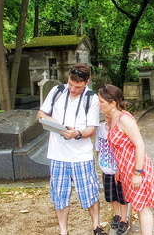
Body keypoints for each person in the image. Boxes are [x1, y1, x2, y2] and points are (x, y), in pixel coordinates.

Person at [36, 63, 106, 235]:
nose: (73, 89)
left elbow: (91, 129)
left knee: (90, 192)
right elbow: (40, 114)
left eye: (78, 87)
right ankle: (63, 231)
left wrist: (76, 134)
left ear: (86, 82)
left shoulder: (92, 98)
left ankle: (96, 226)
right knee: (59, 195)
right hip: (57, 154)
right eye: (71, 84)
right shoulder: (57, 91)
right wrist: (55, 124)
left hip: (81, 155)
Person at [98, 84, 154, 235]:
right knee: (138, 206)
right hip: (125, 169)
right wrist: (119, 168)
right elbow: (120, 147)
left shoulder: (124, 119)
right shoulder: (113, 118)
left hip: (137, 168)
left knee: (143, 206)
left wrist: (137, 173)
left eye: (101, 102)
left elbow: (140, 144)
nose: (99, 105)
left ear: (113, 103)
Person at [95, 115, 130, 235]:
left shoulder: (120, 128)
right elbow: (98, 147)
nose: (108, 116)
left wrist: (122, 167)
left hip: (119, 168)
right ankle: (116, 215)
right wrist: (99, 162)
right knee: (110, 195)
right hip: (106, 167)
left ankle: (124, 219)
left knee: (122, 196)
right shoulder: (100, 128)